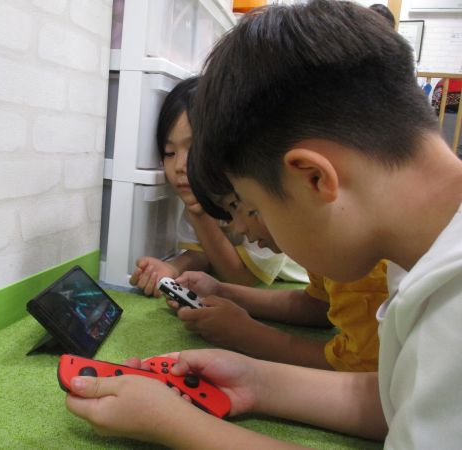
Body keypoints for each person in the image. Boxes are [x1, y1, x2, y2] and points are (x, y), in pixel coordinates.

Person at [65, 1, 462, 448]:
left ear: (313, 178)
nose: (250, 228)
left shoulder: (452, 302)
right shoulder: (420, 254)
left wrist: (176, 424)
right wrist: (257, 381)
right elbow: (397, 398)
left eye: (254, 207)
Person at [167, 170, 387, 371]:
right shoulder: (317, 245)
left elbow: (359, 368)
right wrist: (221, 291)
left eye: (238, 204)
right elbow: (320, 305)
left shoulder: (348, 251)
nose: (239, 227)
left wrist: (247, 335)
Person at [129, 77, 307, 297]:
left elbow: (243, 278)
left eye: (193, 150)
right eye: (169, 153)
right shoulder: (199, 198)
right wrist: (172, 267)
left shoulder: (255, 197)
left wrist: (199, 214)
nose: (180, 166)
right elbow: (204, 253)